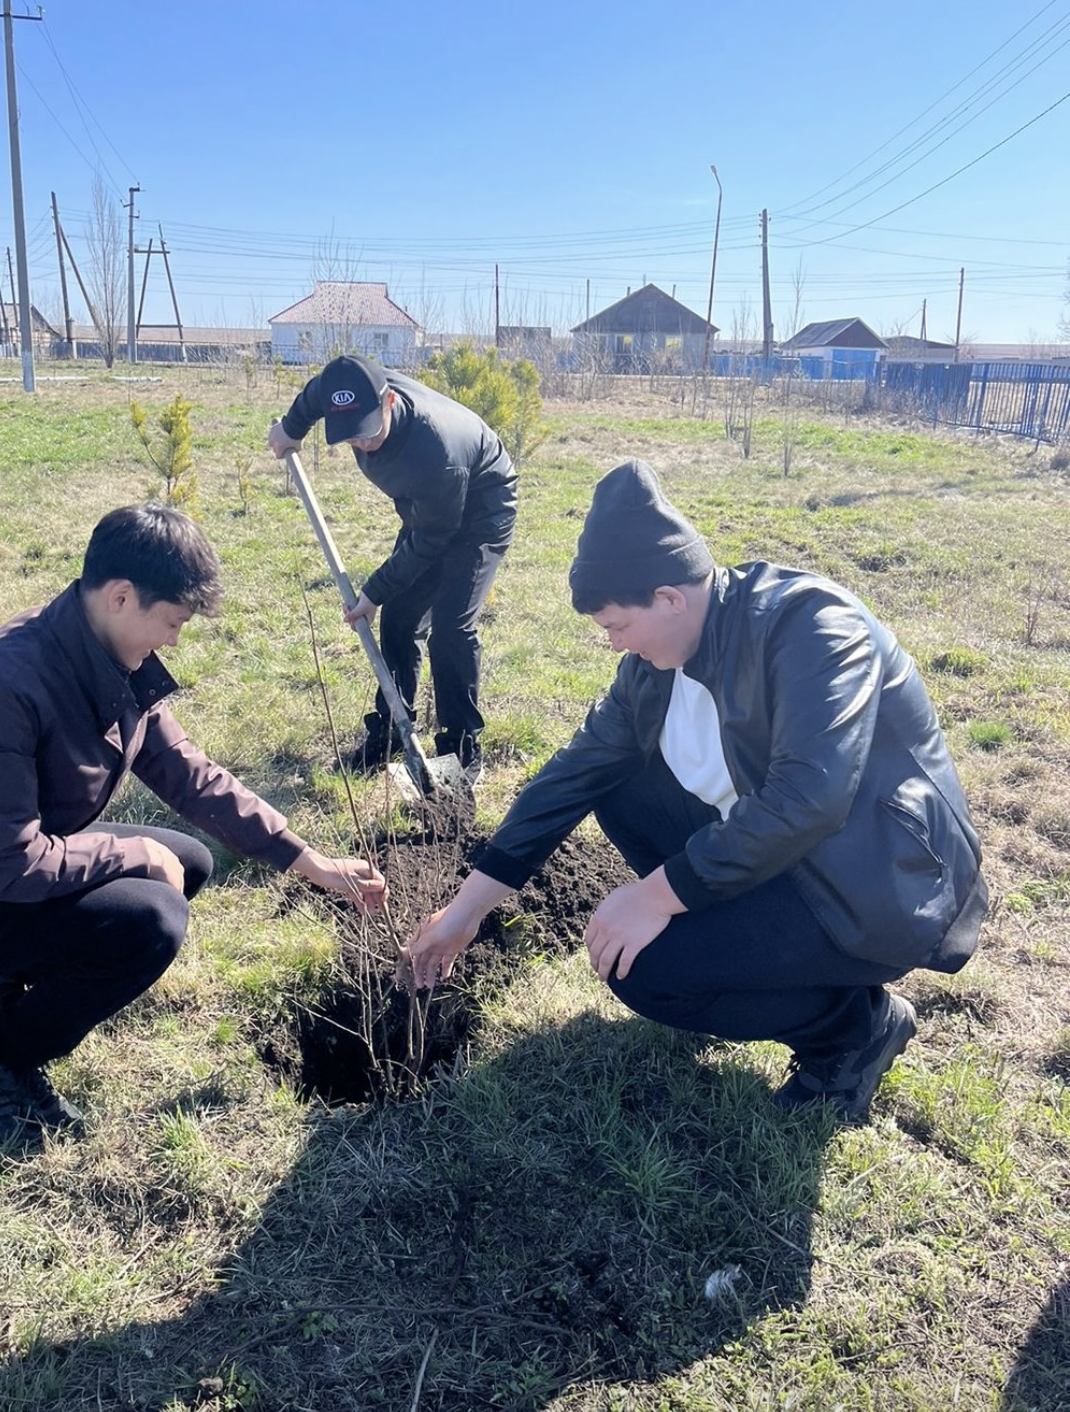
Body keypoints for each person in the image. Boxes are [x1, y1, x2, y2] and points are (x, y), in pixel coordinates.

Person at [405, 460, 988, 1123]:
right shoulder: (654, 668)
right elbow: (572, 774)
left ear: (671, 598)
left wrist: (657, 896)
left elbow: (811, 798)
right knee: (613, 781)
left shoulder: (812, 629)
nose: (612, 644)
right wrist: (467, 910)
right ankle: (740, 945)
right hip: (791, 851)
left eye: (616, 625)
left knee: (645, 971)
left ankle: (855, 1029)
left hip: (881, 879)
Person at [0, 504, 385, 1140]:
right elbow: (9, 866)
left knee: (188, 861)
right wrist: (129, 855)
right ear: (121, 597)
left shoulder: (104, 658)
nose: (174, 640)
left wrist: (309, 861)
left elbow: (189, 773)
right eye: (171, 622)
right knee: (150, 920)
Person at [267, 353, 517, 779]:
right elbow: (316, 394)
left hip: (480, 506)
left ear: (389, 404)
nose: (362, 444)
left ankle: (459, 747)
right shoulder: (348, 391)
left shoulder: (433, 450)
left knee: (452, 627)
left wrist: (374, 590)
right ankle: (393, 732)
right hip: (429, 509)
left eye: (368, 433)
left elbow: (433, 540)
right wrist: (290, 429)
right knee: (399, 620)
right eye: (352, 437)